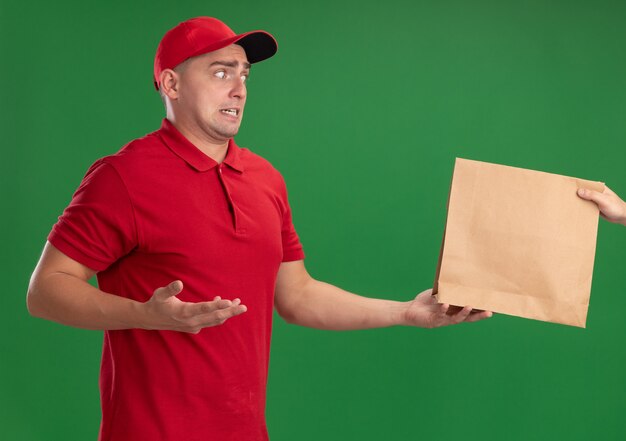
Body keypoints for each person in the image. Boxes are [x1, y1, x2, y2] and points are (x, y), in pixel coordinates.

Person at [26, 17, 491, 441]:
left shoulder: (266, 180)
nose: (239, 89)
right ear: (170, 83)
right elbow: (45, 290)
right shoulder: (124, 177)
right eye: (220, 72)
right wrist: (145, 314)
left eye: (244, 74)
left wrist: (406, 312)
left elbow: (297, 296)